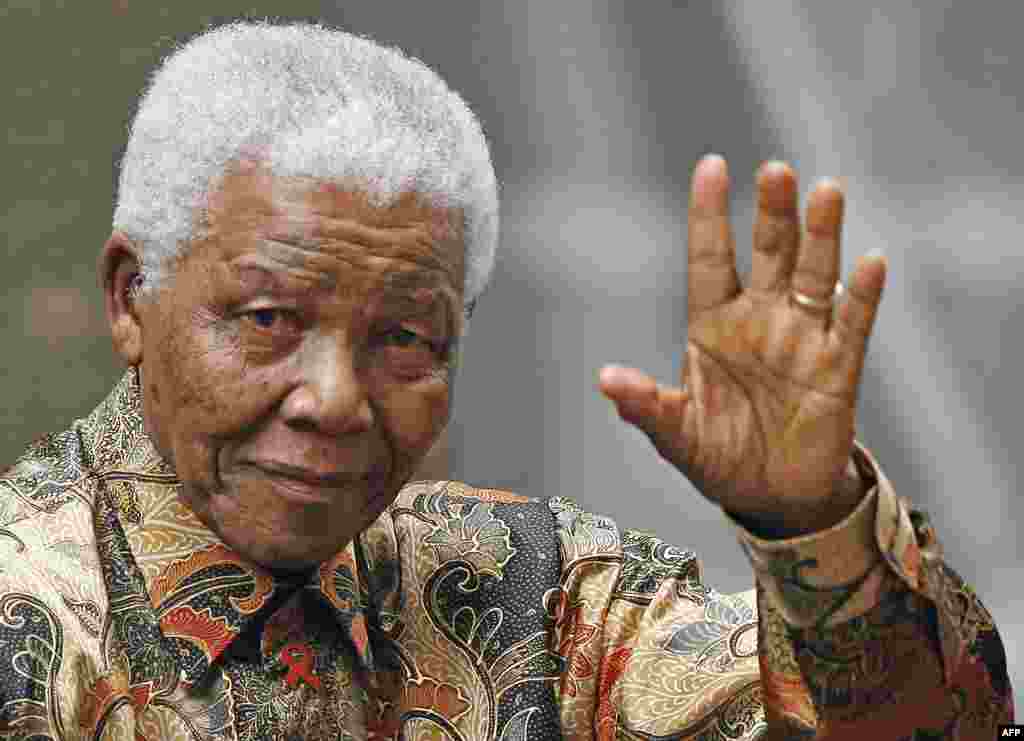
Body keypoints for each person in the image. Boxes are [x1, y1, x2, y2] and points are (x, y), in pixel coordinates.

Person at [0, 20, 1010, 740]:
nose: (335, 399)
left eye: (404, 338)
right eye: (268, 320)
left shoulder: (532, 597)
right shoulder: (26, 619)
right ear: (132, 298)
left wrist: (812, 523)